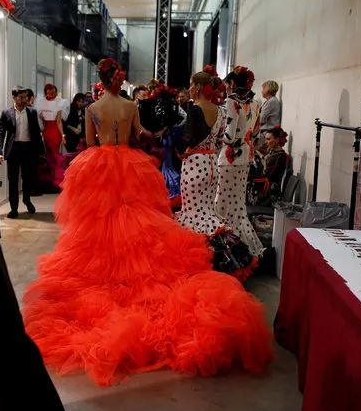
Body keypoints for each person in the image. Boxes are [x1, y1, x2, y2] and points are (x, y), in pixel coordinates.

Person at [22, 58, 274, 388]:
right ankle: (130, 274)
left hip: (99, 165)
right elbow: (139, 135)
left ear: (100, 79)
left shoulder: (93, 108)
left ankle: (108, 274)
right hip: (129, 163)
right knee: (134, 221)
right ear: (118, 80)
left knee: (99, 221)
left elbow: (89, 141)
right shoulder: (130, 105)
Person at [177, 66, 257, 280]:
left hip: (194, 164)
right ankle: (221, 257)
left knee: (192, 213)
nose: (190, 89)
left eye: (193, 85)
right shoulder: (221, 110)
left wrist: (182, 153)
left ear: (200, 87)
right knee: (207, 211)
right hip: (213, 162)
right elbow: (223, 138)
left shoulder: (194, 109)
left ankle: (196, 263)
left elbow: (187, 139)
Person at [216, 66, 264, 257]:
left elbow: (228, 136)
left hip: (229, 158)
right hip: (246, 157)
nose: (226, 87)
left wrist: (217, 135)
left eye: (227, 84)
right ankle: (246, 250)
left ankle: (227, 252)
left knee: (222, 204)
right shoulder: (256, 103)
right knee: (238, 207)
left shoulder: (231, 101)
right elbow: (257, 133)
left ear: (233, 83)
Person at [0, 86, 44, 219]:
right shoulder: (6, 113)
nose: (24, 100)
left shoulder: (32, 112)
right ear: (14, 97)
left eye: (25, 97)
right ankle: (14, 208)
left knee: (28, 178)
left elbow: (36, 133)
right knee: (13, 180)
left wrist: (41, 151)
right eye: (21, 97)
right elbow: (0, 133)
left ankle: (27, 200)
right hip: (13, 149)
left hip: (29, 149)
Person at [35, 84, 65, 190]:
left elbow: (59, 121)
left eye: (52, 91)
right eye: (48, 91)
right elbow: (41, 120)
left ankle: (56, 180)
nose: (50, 93)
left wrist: (62, 135)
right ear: (45, 92)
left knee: (55, 155)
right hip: (46, 130)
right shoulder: (41, 103)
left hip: (54, 131)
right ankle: (52, 179)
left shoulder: (59, 103)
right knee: (48, 155)